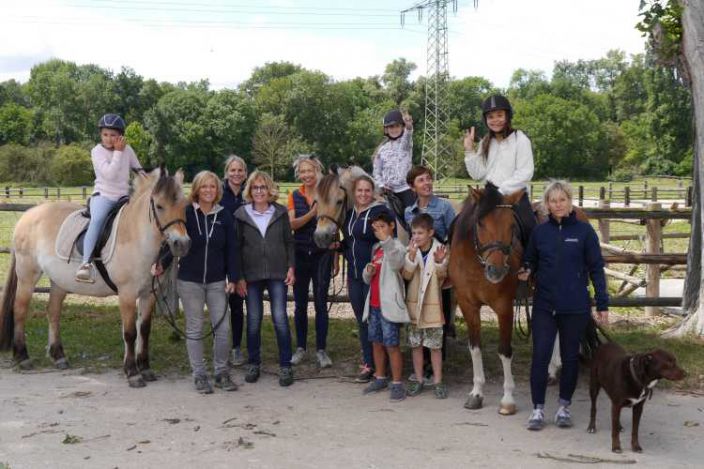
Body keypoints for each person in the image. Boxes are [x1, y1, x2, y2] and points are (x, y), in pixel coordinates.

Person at [518, 180, 609, 431]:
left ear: (570, 202)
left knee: (570, 358)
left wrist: (602, 303)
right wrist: (526, 270)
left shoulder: (584, 232)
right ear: (546, 204)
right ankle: (537, 410)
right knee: (540, 357)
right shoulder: (540, 233)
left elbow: (596, 269)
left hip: (575, 306)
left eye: (562, 200)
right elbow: (530, 260)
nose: (558, 205)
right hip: (545, 305)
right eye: (553, 200)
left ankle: (563, 407)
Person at [158, 171, 239, 394]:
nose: (208, 191)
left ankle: (222, 372)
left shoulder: (225, 215)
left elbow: (232, 249)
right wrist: (162, 264)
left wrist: (233, 278)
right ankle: (200, 375)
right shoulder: (186, 213)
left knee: (222, 329)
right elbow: (173, 243)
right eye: (204, 187)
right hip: (190, 282)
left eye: (212, 187)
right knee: (194, 328)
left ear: (217, 190)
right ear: (196, 189)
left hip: (216, 282)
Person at [234, 171, 295, 387]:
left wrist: (291, 267)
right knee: (253, 320)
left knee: (280, 318)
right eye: (255, 187)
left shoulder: (279, 212)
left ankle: (286, 365)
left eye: (263, 187)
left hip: (278, 272)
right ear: (250, 190)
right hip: (251, 275)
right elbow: (237, 248)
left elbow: (289, 242)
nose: (259, 191)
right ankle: (253, 362)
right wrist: (239, 276)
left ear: (269, 190)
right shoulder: (241, 215)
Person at [404, 165, 457, 378]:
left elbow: (454, 235)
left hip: (438, 263)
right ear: (412, 187)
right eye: (421, 181)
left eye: (428, 179)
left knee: (438, 313)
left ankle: (436, 363)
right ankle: (421, 360)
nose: (426, 183)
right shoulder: (409, 211)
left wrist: (445, 261)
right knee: (417, 313)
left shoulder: (444, 207)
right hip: (418, 265)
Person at [342, 174, 396, 383]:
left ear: (372, 192)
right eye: (359, 190)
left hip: (373, 275)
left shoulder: (379, 212)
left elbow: (388, 238)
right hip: (354, 273)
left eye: (367, 190)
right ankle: (368, 362)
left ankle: (383, 365)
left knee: (374, 319)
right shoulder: (350, 214)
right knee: (361, 320)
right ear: (353, 193)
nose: (363, 194)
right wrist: (339, 248)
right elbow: (349, 240)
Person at [76, 113, 142, 283]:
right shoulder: (97, 151)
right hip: (104, 195)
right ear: (100, 135)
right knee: (97, 220)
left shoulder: (127, 149)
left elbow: (138, 169)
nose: (109, 138)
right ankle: (86, 264)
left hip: (124, 197)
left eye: (113, 135)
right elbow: (110, 175)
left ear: (120, 135)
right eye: (105, 134)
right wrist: (119, 152)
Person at [463, 95, 536, 246]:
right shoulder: (485, 142)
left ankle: (530, 265)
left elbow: (525, 172)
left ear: (507, 116)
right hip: (489, 196)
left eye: (499, 115)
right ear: (486, 119)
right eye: (491, 117)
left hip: (514, 197)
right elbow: (478, 174)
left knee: (531, 228)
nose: (495, 120)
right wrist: (469, 150)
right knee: (462, 221)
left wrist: (501, 191)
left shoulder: (520, 139)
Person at [288, 155, 338, 368]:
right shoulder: (294, 195)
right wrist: (312, 213)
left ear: (318, 170)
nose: (307, 175)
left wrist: (335, 257)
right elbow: (292, 223)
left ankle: (321, 349)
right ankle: (300, 347)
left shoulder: (326, 193)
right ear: (299, 174)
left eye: (310, 170)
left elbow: (334, 226)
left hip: (322, 254)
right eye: (303, 171)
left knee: (320, 303)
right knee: (300, 304)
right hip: (299, 254)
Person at [361, 211, 410, 401]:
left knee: (392, 345)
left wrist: (386, 241)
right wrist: (368, 271)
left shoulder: (397, 246)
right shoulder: (376, 249)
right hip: (374, 303)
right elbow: (367, 279)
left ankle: (397, 383)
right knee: (377, 343)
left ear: (391, 226)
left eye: (382, 226)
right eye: (376, 228)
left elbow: (397, 264)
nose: (378, 231)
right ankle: (380, 376)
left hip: (389, 305)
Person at [402, 213, 449, 399]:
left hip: (433, 310)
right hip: (414, 308)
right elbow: (406, 276)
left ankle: (438, 381)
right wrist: (411, 258)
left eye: (420, 233)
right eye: (413, 233)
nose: (416, 237)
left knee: (435, 347)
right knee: (416, 346)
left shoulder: (441, 250)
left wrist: (439, 263)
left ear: (431, 232)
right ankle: (419, 379)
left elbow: (442, 278)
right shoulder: (410, 250)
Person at [220, 155, 248, 367]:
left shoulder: (250, 192)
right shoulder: (219, 193)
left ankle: (236, 347)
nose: (236, 174)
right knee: (221, 304)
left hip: (247, 254)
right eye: (233, 170)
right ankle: (220, 346)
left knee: (238, 305)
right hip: (222, 254)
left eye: (240, 170)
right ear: (226, 172)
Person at [373, 109, 416, 213]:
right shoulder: (381, 150)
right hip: (387, 191)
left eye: (397, 126)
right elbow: (376, 171)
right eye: (391, 127)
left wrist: (409, 127)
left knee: (412, 216)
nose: (394, 129)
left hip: (405, 189)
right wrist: (382, 185)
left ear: (402, 127)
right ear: (386, 129)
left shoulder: (405, 144)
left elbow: (408, 135)